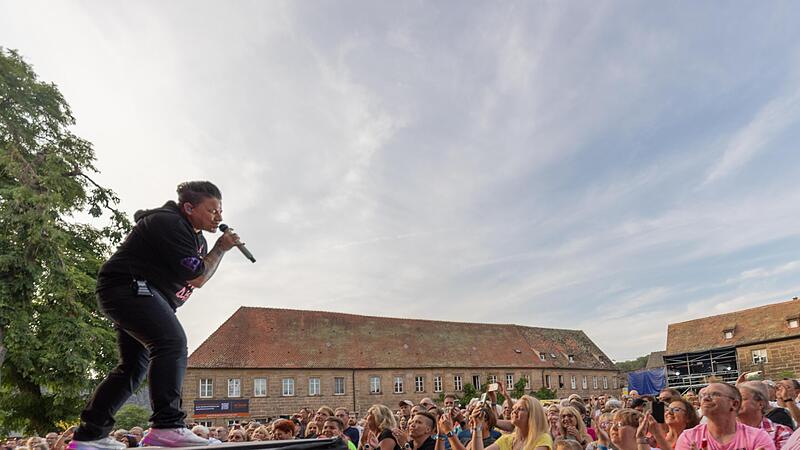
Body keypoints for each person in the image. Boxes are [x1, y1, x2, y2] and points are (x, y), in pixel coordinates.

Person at [69, 181, 241, 450]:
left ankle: (90, 436)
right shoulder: (169, 223)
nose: (219, 217)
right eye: (212, 210)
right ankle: (167, 426)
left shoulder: (197, 239)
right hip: (128, 288)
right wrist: (221, 247)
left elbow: (198, 273)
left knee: (133, 368)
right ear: (189, 208)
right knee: (171, 343)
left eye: (221, 211)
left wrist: (216, 248)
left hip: (143, 295)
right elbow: (197, 277)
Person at [674, 382, 775, 450]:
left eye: (715, 394)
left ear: (734, 404)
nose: (705, 399)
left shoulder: (757, 437)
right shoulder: (689, 438)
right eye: (703, 395)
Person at [471, 395, 552, 450]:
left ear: (532, 415)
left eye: (520, 409)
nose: (514, 412)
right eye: (513, 408)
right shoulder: (507, 439)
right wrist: (477, 425)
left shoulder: (542, 439)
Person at [736, 382, 792, 449]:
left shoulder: (781, 432)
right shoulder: (726, 432)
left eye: (742, 399)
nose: (735, 403)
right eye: (731, 400)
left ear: (760, 404)